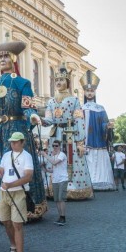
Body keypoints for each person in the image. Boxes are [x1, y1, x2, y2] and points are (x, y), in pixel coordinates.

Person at [0, 41, 45, 220]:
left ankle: (27, 206)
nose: (2, 59)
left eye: (5, 56)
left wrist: (32, 115)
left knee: (18, 164)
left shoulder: (22, 83)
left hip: (17, 130)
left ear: (13, 58)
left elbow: (27, 107)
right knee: (0, 167)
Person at [41, 65, 92, 200]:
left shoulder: (74, 100)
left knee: (71, 160)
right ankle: (53, 188)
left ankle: (72, 188)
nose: (58, 83)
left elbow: (80, 120)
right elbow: (49, 119)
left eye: (62, 80)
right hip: (55, 134)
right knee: (54, 159)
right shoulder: (51, 101)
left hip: (70, 135)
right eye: (56, 80)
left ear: (67, 83)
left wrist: (81, 141)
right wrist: (41, 120)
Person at [0, 132, 33, 252]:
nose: (12, 144)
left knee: (17, 225)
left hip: (18, 193)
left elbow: (28, 177)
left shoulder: (27, 156)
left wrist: (11, 185)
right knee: (6, 222)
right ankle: (13, 246)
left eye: (15, 142)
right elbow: (0, 175)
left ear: (22, 142)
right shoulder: (6, 155)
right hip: (4, 193)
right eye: (11, 142)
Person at [79, 71, 115, 191]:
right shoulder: (80, 108)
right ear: (84, 92)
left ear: (95, 92)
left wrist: (107, 126)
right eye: (87, 91)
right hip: (85, 142)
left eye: (92, 91)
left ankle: (101, 181)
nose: (89, 93)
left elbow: (104, 122)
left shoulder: (100, 108)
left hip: (99, 140)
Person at [40, 140, 68, 225]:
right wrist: (45, 169)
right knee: (56, 200)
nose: (55, 147)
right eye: (53, 146)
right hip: (55, 179)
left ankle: (63, 217)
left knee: (61, 198)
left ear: (60, 146)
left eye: (56, 146)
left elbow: (54, 163)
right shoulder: (54, 156)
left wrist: (45, 155)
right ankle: (60, 216)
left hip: (62, 179)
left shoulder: (62, 155)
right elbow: (54, 169)